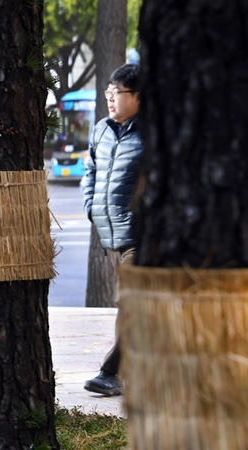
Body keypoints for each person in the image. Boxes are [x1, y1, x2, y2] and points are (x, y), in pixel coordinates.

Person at [81, 63, 142, 396]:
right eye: (108, 91)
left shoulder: (153, 133)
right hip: (113, 236)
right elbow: (90, 172)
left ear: (139, 96)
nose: (110, 98)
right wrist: (91, 206)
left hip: (142, 237)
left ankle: (110, 372)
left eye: (117, 92)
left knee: (132, 304)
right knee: (131, 306)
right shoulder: (102, 130)